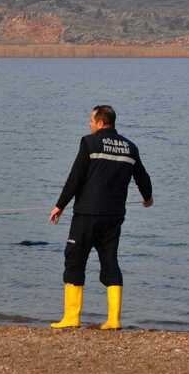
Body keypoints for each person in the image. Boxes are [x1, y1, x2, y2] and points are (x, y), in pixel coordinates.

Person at [49, 105, 153, 330]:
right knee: (110, 262)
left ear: (100, 121)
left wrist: (60, 205)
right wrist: (148, 198)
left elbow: (75, 178)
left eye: (91, 120)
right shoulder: (130, 147)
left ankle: (71, 317)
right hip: (114, 216)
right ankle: (114, 320)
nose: (89, 124)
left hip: (87, 214)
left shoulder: (89, 142)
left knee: (75, 260)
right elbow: (143, 177)